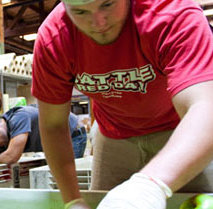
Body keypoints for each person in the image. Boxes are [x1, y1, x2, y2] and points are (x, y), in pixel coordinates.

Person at [31, 0, 213, 208]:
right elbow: (53, 125)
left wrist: (151, 185)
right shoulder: (54, 38)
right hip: (113, 135)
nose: (98, 23)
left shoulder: (172, 13)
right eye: (80, 12)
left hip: (179, 129)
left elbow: (205, 108)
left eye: (107, 4)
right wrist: (73, 200)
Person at [0, 105, 87, 167]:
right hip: (55, 142)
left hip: (72, 135)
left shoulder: (19, 118)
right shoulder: (3, 142)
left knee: (68, 179)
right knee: (56, 178)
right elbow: (4, 161)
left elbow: (11, 157)